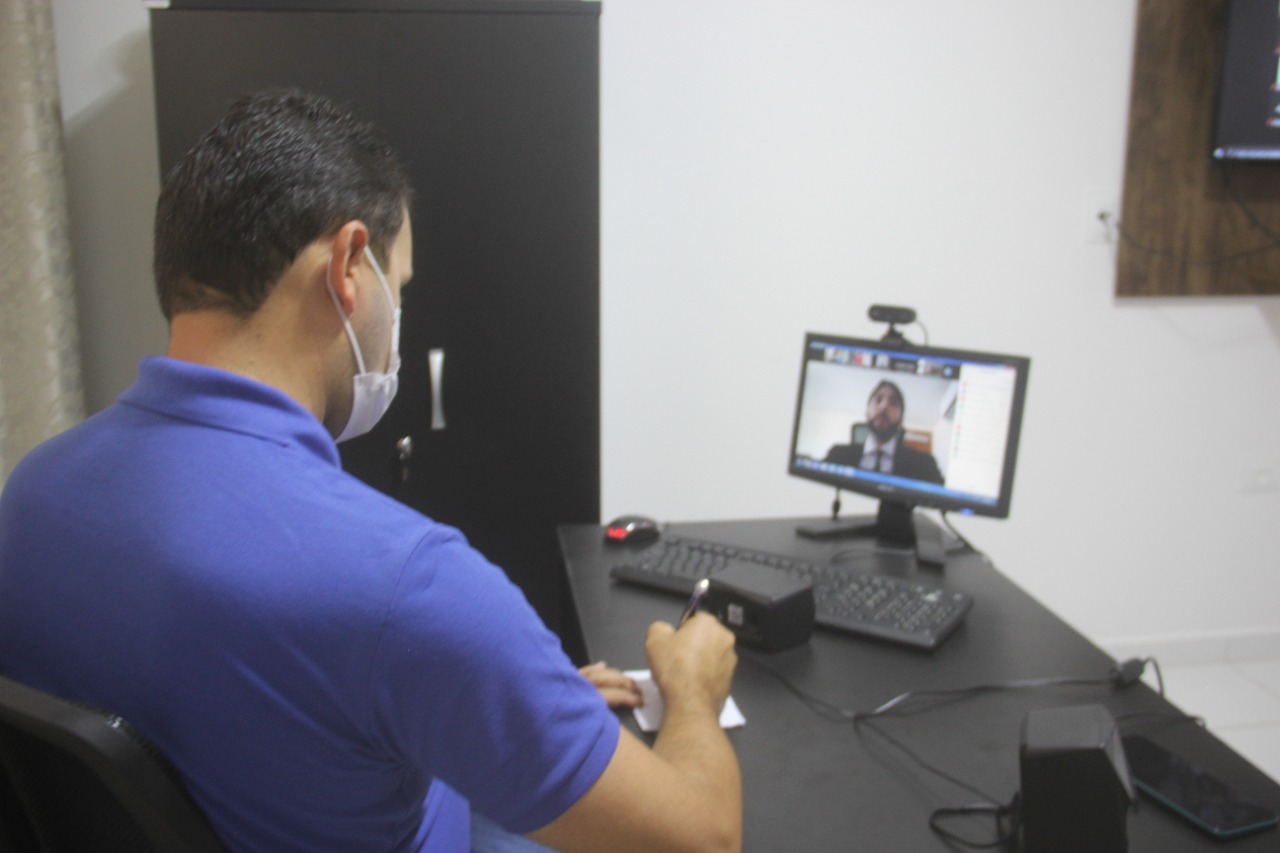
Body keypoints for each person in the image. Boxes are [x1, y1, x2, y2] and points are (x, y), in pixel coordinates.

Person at [0, 89, 740, 853]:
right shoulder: (409, 586)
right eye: (401, 285)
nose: (398, 317)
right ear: (349, 265)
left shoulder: (32, 494)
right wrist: (692, 693)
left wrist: (492, 709)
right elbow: (704, 839)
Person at [824, 379, 943, 485]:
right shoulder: (837, 455)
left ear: (900, 420)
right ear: (867, 413)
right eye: (878, 400)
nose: (884, 406)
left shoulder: (924, 465)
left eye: (893, 402)